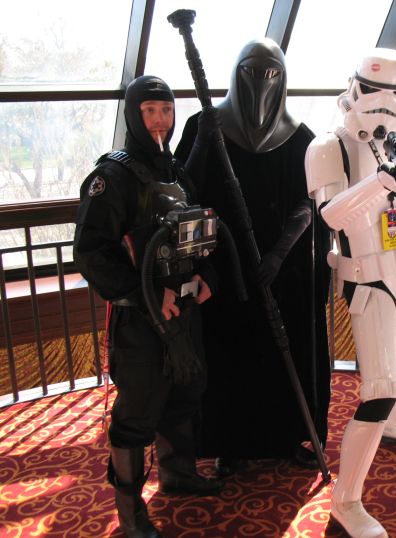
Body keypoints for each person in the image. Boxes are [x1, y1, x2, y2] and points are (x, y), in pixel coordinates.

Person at [305, 48, 396, 538]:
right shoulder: (328, 146)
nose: (385, 103)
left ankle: (392, 422)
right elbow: (330, 215)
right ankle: (345, 502)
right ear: (354, 88)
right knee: (378, 391)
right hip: (368, 280)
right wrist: (379, 182)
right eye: (374, 91)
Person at [73, 76, 225, 537]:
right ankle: (130, 513)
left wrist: (207, 276)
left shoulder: (177, 173)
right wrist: (147, 294)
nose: (160, 120)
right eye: (150, 111)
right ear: (134, 115)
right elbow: (91, 251)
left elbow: (197, 236)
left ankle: (177, 474)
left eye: (166, 110)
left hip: (184, 311)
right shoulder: (112, 178)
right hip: (140, 320)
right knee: (137, 412)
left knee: (185, 393)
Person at [174, 37, 332, 473]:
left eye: (271, 73)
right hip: (224, 271)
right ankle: (231, 444)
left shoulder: (301, 139)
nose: (261, 82)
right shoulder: (205, 125)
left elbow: (310, 202)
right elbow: (182, 190)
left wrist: (278, 255)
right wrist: (203, 142)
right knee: (230, 357)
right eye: (251, 71)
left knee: (288, 356)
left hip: (283, 273)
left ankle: (289, 437)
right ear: (235, 73)